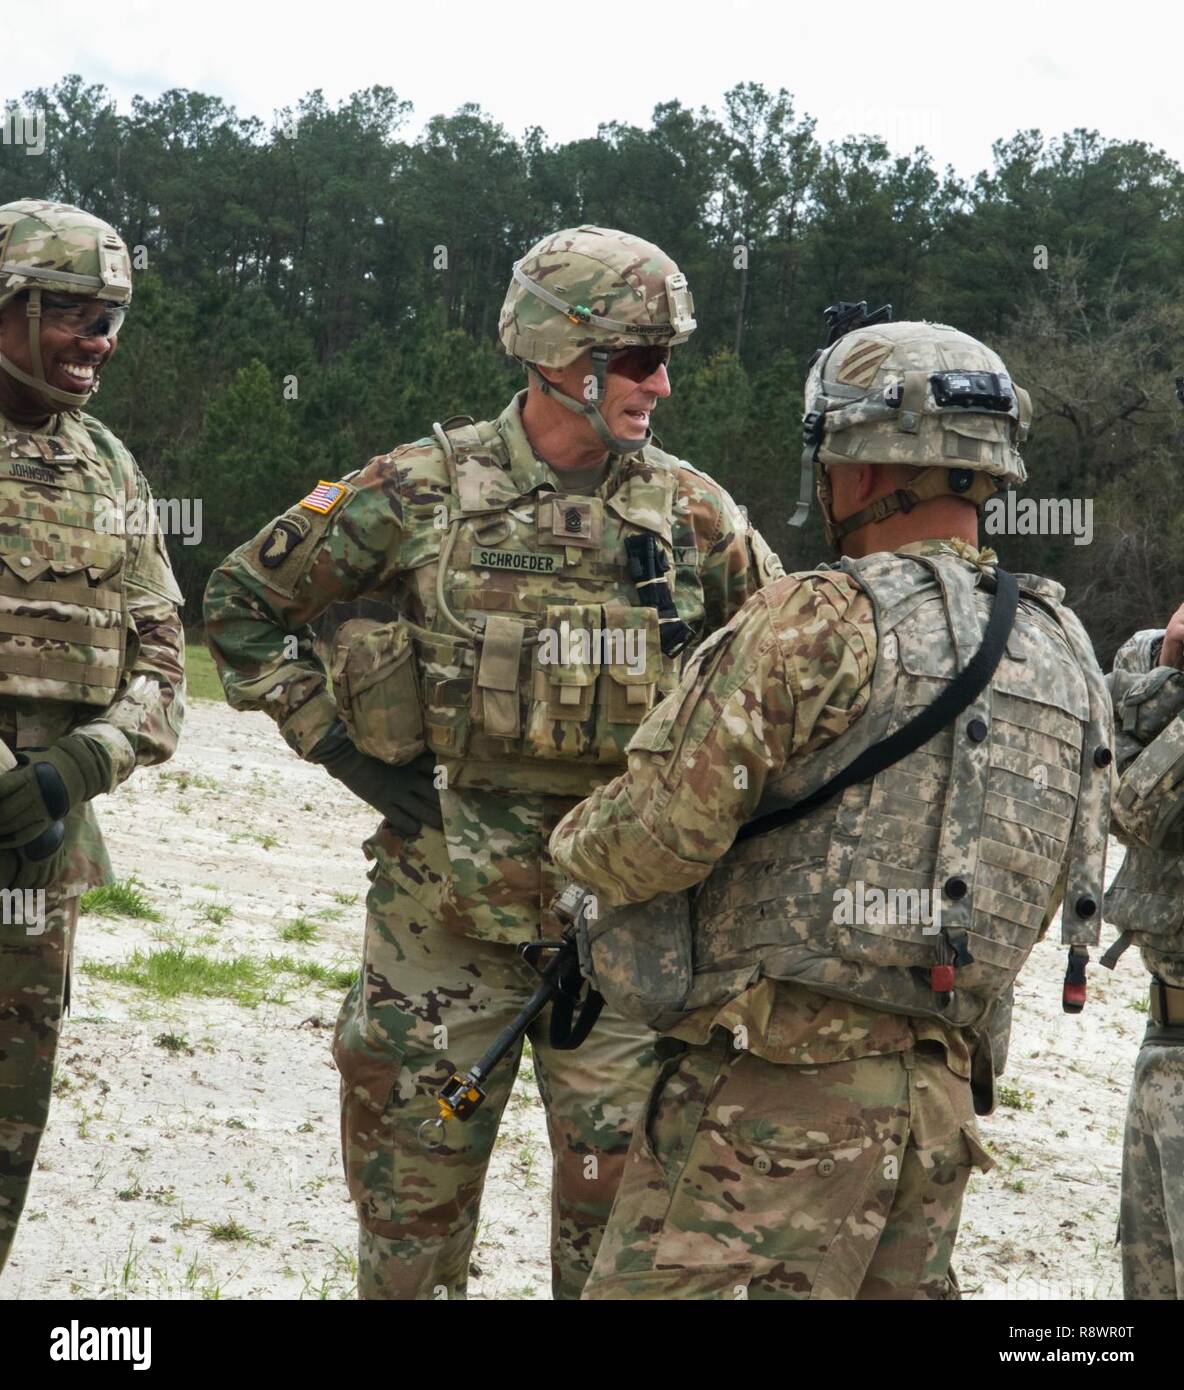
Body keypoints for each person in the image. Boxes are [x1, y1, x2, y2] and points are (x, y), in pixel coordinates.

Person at [203, 225, 783, 1299]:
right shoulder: (417, 488)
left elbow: (779, 678)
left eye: (664, 357)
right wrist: (337, 746)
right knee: (408, 1230)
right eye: (639, 356)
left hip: (623, 949)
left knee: (624, 1251)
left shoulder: (694, 515)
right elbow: (242, 605)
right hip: (441, 938)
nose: (661, 382)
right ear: (561, 352)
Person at [550, 318, 1112, 1300]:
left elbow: (659, 831)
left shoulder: (818, 615)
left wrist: (569, 851)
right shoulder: (1065, 653)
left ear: (851, 468)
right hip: (938, 1113)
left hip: (774, 1111)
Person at [0, 199, 186, 1278]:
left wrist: (81, 764)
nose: (97, 338)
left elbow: (162, 666)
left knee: (8, 1135)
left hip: (36, 874)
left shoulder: (108, 466)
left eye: (110, 315)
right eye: (70, 311)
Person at [1103, 601, 1184, 1299]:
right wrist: (1170, 674)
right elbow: (1112, 797)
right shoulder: (1148, 658)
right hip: (1163, 1033)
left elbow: (1144, 807)